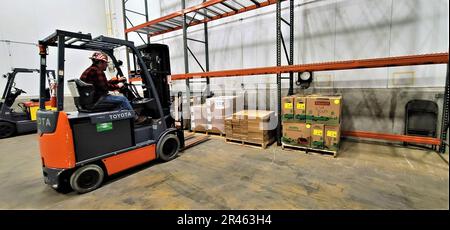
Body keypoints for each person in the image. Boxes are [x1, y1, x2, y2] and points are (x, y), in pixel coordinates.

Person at [80, 52, 148, 124]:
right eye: (106, 63)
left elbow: (101, 83)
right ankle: (135, 119)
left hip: (89, 100)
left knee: (118, 102)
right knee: (123, 99)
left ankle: (122, 122)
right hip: (98, 99)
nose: (107, 65)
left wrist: (117, 80)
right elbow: (105, 87)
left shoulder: (90, 70)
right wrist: (118, 86)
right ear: (100, 62)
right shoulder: (97, 71)